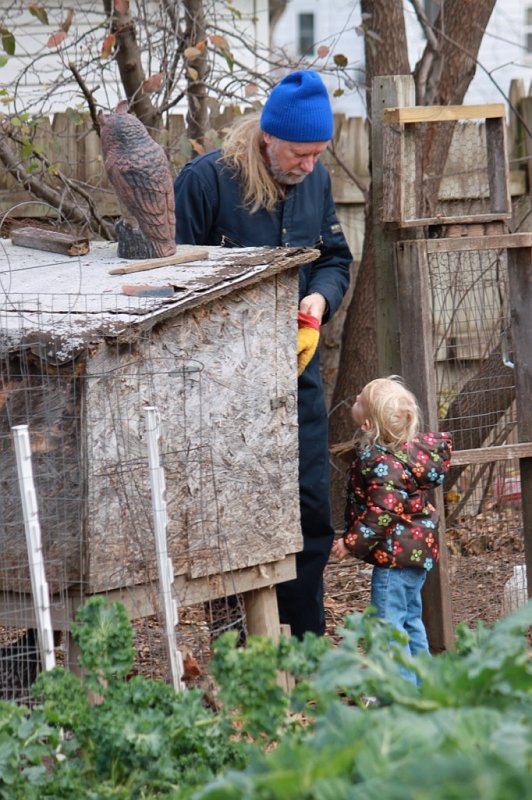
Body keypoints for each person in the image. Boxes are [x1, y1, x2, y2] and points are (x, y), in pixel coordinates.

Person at [173, 70, 352, 639]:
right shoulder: (205, 183)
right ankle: (235, 647)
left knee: (310, 509)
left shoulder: (315, 181)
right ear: (269, 138)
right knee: (228, 515)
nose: (309, 165)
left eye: (318, 154)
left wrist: (318, 305)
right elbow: (175, 286)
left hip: (296, 377)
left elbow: (334, 258)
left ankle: (303, 647)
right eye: (301, 153)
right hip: (222, 389)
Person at [331, 376, 452, 670]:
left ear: (367, 425)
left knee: (387, 626)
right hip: (415, 555)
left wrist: (351, 543)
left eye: (360, 399)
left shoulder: (380, 463)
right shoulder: (408, 456)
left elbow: (382, 511)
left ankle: (399, 697)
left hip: (395, 562)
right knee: (411, 621)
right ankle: (425, 688)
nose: (354, 399)